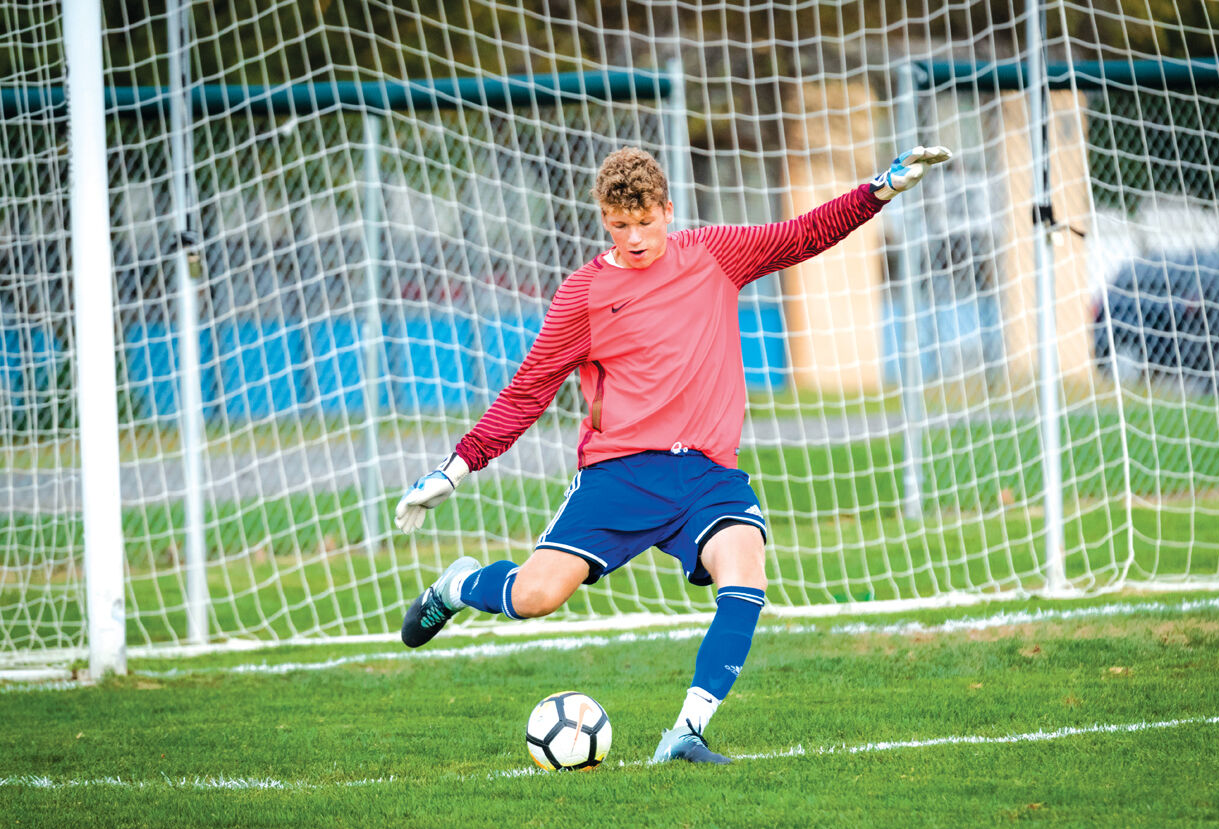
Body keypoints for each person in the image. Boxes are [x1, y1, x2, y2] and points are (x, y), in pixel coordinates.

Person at [394, 143, 951, 764]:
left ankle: (686, 733)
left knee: (745, 573)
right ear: (604, 219)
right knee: (535, 597)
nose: (634, 238)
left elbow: (802, 236)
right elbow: (529, 390)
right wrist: (457, 466)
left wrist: (880, 189)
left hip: (708, 475)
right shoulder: (583, 296)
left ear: (668, 209)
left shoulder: (713, 254)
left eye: (645, 222)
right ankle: (458, 585)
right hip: (621, 473)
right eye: (619, 225)